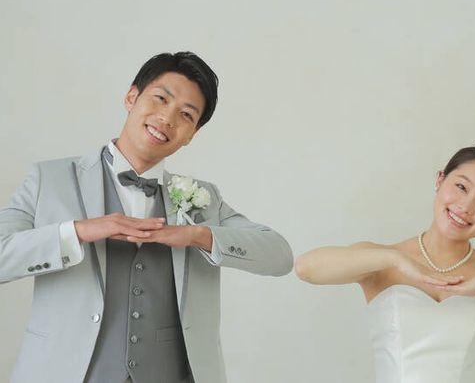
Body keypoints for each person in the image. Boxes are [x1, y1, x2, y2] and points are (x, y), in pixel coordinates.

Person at [0, 51, 293, 383]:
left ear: (192, 134)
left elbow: (280, 256)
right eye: (161, 99)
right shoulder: (49, 180)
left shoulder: (204, 199)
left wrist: (198, 236)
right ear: (131, 97)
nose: (167, 118)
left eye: (186, 114)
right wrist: (78, 232)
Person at [295, 142, 475, 383]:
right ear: (439, 180)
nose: (465, 207)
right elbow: (307, 268)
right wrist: (395, 258)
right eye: (461, 187)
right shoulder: (382, 261)